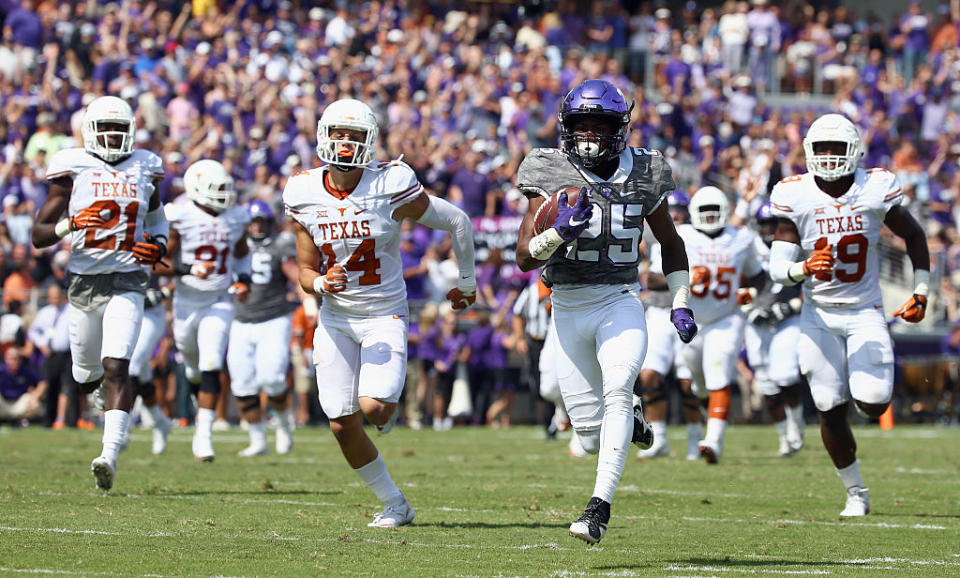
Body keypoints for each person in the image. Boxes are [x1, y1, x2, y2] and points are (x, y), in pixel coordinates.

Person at [515, 79, 697, 544]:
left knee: (618, 388)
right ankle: (633, 417)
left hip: (620, 299)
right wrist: (557, 234)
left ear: (621, 128)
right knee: (592, 435)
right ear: (566, 127)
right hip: (567, 305)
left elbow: (670, 243)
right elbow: (523, 257)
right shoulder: (549, 168)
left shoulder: (646, 170)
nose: (590, 134)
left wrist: (679, 301)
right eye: (582, 124)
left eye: (601, 124)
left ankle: (597, 509)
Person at [283, 98, 477, 528]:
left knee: (374, 408)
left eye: (354, 135)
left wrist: (467, 283)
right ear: (323, 136)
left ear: (370, 141)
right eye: (339, 133)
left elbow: (458, 221)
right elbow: (306, 270)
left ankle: (386, 412)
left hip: (384, 312)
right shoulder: (302, 191)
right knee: (339, 424)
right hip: (335, 317)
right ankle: (395, 503)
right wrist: (319, 284)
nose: (346, 143)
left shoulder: (391, 183)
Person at [768, 113, 930, 516]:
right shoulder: (796, 193)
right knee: (828, 405)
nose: (827, 156)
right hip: (818, 314)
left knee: (873, 402)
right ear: (807, 150)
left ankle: (863, 392)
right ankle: (855, 491)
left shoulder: (875, 187)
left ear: (853, 151)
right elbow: (777, 266)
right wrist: (804, 268)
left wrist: (922, 289)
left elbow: (914, 235)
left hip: (865, 311)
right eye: (820, 148)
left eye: (835, 148)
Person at [31, 95, 169, 491]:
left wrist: (157, 246)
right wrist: (71, 224)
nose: (112, 136)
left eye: (119, 129)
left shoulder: (146, 165)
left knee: (117, 366)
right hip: (84, 283)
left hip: (128, 279)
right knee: (86, 372)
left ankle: (109, 454)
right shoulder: (73, 167)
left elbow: (158, 222)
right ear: (90, 131)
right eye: (105, 128)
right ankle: (104, 403)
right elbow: (39, 235)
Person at [154, 159, 251, 462]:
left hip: (220, 300)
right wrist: (187, 268)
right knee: (193, 366)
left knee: (211, 362)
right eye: (217, 189)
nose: (224, 195)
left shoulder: (236, 217)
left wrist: (244, 280)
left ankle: (203, 436)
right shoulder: (180, 216)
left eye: (226, 188)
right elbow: (156, 263)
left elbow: (242, 254)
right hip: (186, 302)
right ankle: (197, 391)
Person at [678, 186, 765, 464]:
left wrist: (750, 293)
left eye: (716, 210)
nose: (711, 216)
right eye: (705, 211)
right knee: (698, 384)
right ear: (694, 213)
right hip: (691, 319)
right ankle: (708, 413)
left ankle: (714, 440)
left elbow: (758, 277)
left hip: (726, 318)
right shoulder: (683, 236)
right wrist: (687, 280)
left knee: (719, 375)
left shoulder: (741, 238)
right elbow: (656, 278)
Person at [226, 199, 299, 457]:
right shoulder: (237, 247)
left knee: (272, 378)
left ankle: (282, 424)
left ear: (269, 223)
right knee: (243, 383)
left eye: (261, 222)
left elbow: (294, 272)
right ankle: (257, 439)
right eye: (253, 222)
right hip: (240, 319)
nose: (257, 227)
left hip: (273, 318)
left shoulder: (281, 244)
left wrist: (309, 297)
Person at [637, 190, 703, 460]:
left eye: (679, 210)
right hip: (657, 311)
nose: (674, 215)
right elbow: (650, 280)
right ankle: (660, 438)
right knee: (649, 376)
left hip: (686, 311)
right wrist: (686, 278)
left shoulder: (696, 236)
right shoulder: (653, 235)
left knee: (688, 383)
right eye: (671, 209)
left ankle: (695, 441)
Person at [740, 202, 804, 457]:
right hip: (758, 320)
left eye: (773, 224)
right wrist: (748, 309)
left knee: (786, 375)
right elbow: (738, 283)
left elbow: (807, 284)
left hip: (787, 318)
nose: (769, 229)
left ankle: (796, 427)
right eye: (765, 224)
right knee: (766, 382)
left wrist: (790, 307)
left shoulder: (795, 248)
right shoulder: (748, 248)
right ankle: (783, 437)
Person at [126, 277, 174, 455]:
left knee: (132, 366)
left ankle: (123, 426)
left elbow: (176, 267)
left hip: (150, 313)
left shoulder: (150, 251)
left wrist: (165, 291)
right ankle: (160, 422)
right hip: (126, 311)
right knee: (143, 374)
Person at [0, 346, 46, 423]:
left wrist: (35, 395)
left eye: (17, 358)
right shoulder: (1, 370)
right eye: (12, 358)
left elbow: (42, 382)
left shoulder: (25, 370)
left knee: (35, 404)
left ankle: (20, 419)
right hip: (4, 402)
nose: (15, 361)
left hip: (19, 402)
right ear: (6, 359)